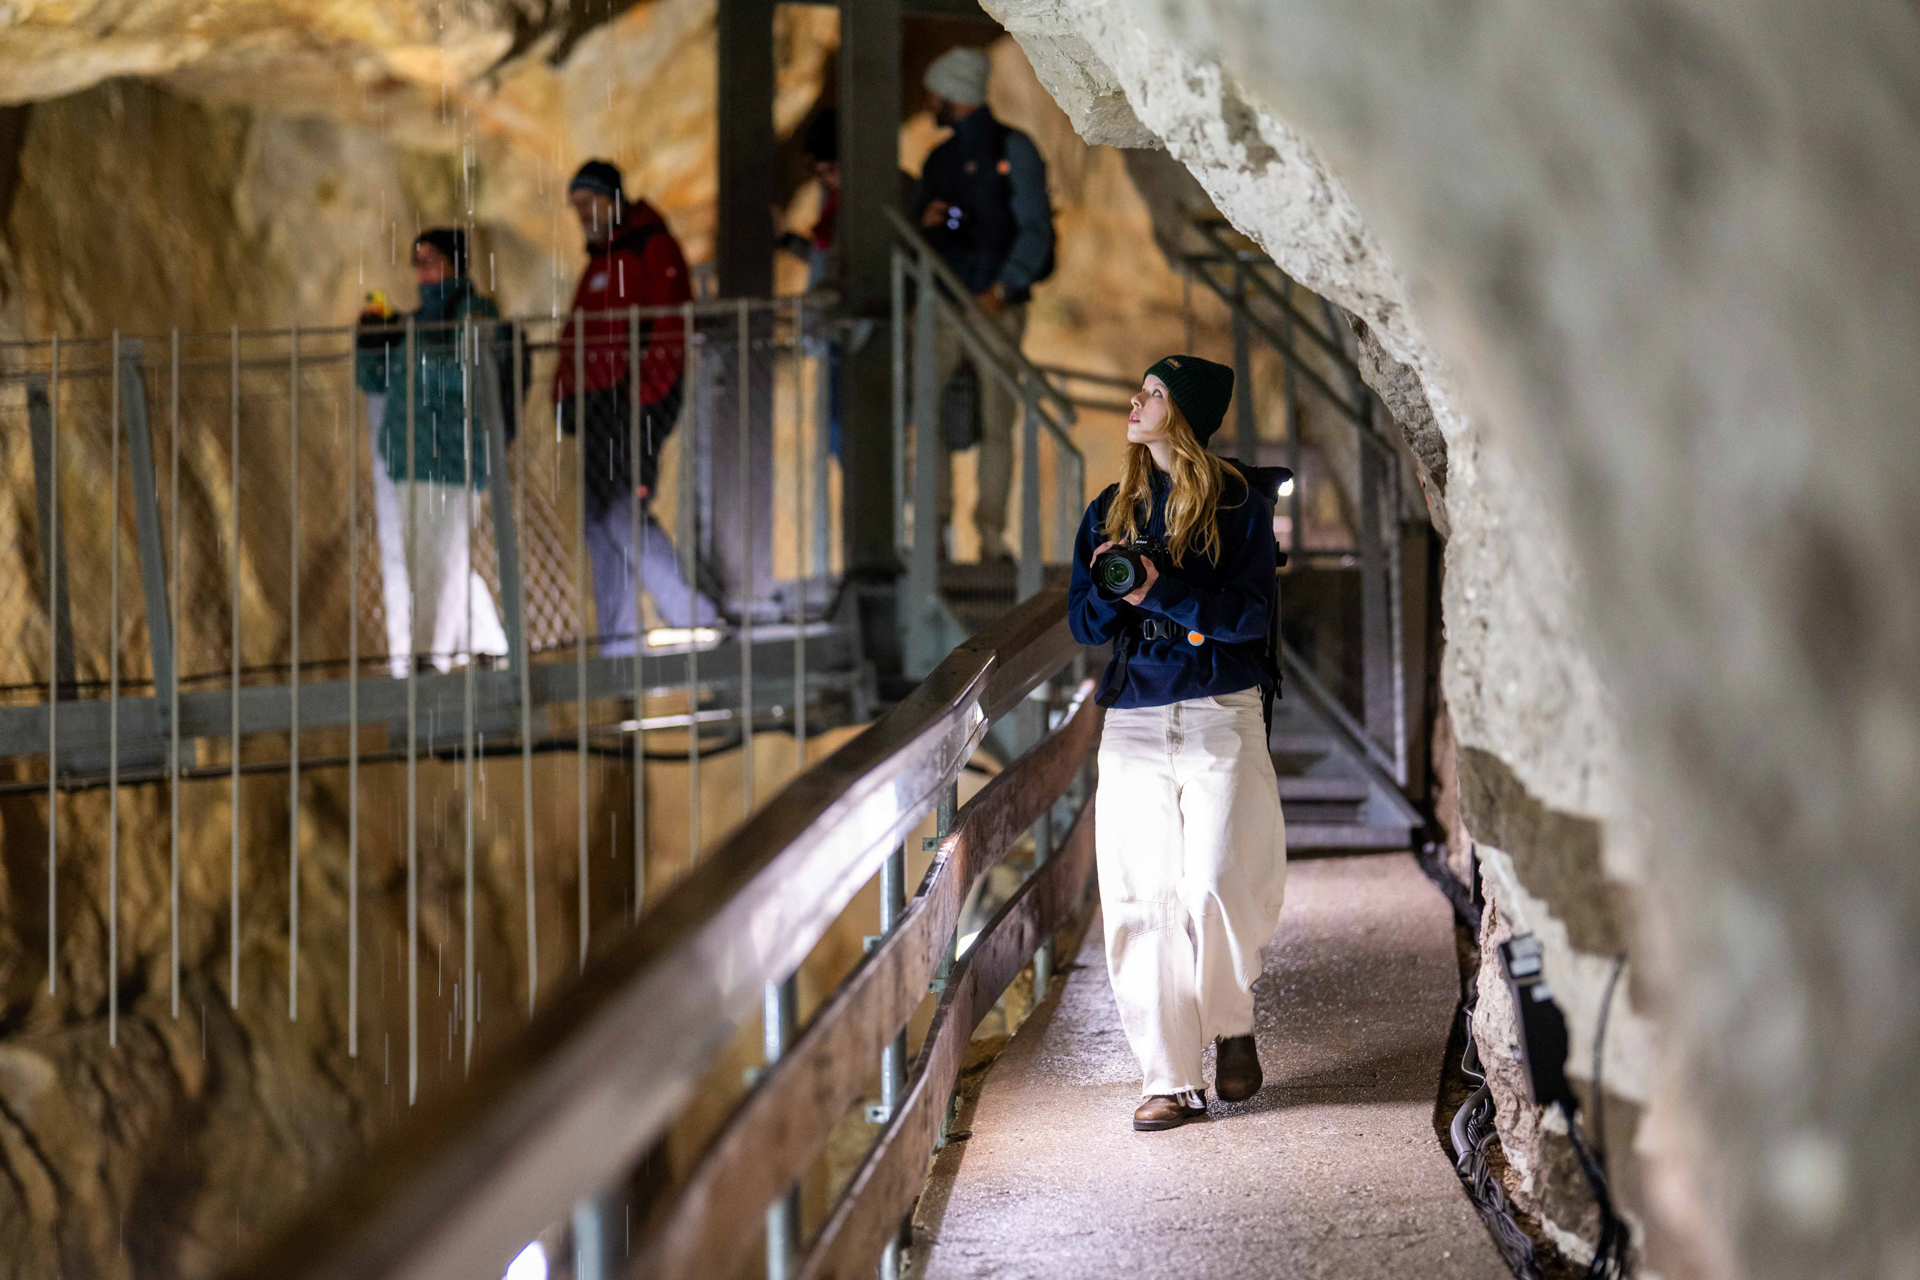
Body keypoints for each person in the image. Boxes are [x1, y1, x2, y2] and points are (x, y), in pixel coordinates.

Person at [1067, 355, 1288, 1132]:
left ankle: (1231, 1021)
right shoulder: (1110, 510)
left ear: (1185, 413)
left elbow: (1251, 617)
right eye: (1142, 388)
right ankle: (1168, 1079)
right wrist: (1113, 588)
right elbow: (1084, 624)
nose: (1136, 400)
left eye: (1155, 393)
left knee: (1220, 878)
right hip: (1133, 717)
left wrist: (1160, 589)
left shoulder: (1238, 505)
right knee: (1140, 898)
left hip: (1220, 709)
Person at [553, 158, 719, 654]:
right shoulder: (600, 263)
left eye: (589, 202)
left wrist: (643, 395)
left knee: (623, 513)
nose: (582, 214)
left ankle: (694, 617)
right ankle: (620, 642)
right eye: (576, 206)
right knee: (597, 519)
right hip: (599, 408)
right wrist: (564, 396)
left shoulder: (652, 247)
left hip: (634, 403)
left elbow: (670, 324)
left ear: (613, 199)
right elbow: (574, 337)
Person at [912, 46, 1055, 561]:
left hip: (993, 308)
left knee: (992, 422)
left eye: (935, 93)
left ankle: (987, 537)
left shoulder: (1012, 149)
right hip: (946, 305)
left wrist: (1001, 288)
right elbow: (920, 232)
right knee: (935, 421)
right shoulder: (942, 159)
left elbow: (1036, 230)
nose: (930, 102)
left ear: (953, 95)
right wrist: (928, 224)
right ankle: (939, 535)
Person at [355, 229, 509, 672]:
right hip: (410, 458)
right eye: (418, 261)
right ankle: (487, 641)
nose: (422, 271)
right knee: (435, 559)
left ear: (455, 264)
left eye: (432, 260)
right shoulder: (415, 324)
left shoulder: (474, 313)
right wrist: (372, 343)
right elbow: (374, 381)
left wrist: (409, 355)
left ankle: (428, 659)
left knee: (435, 560)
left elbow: (468, 374)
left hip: (450, 457)